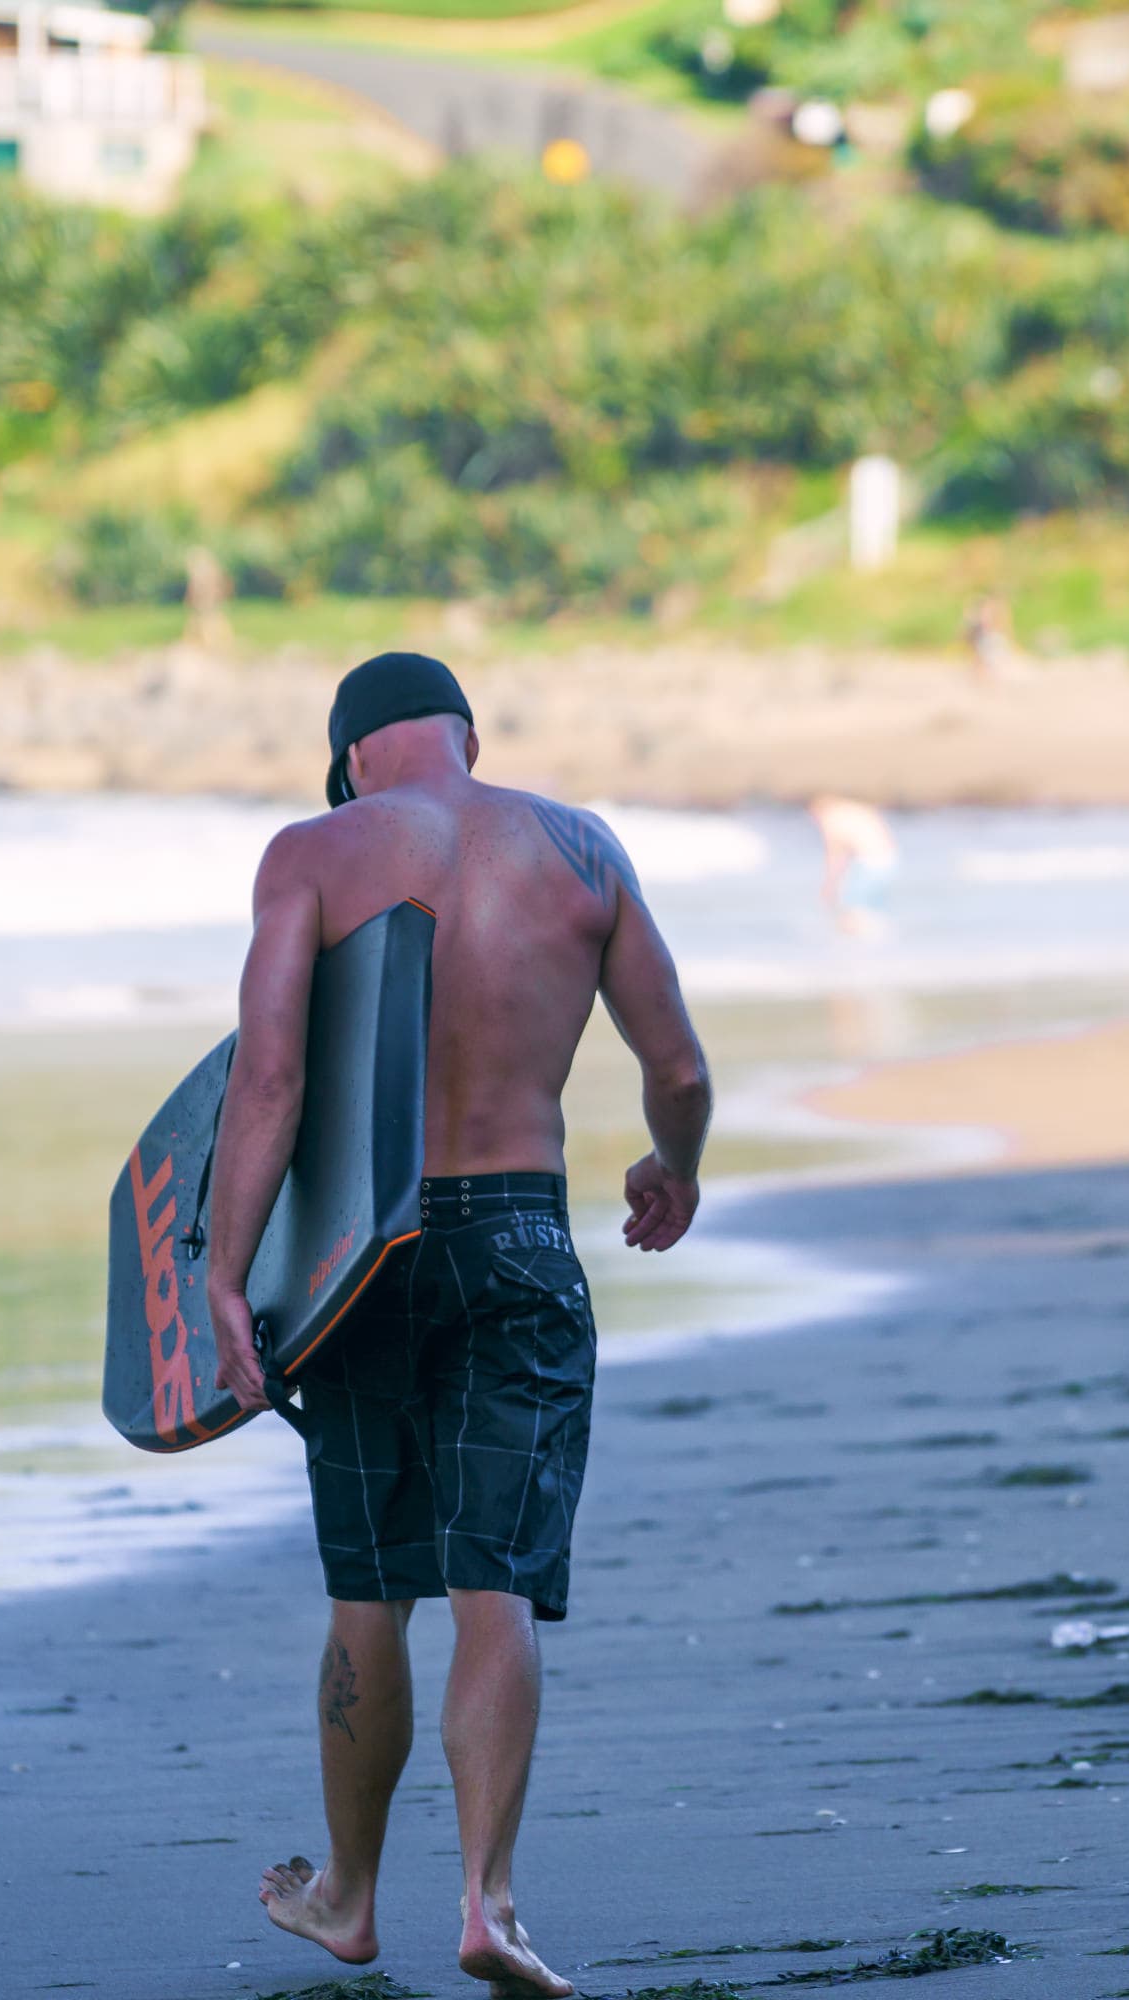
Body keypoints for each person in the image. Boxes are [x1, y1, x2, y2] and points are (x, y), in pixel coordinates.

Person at [204, 652, 712, 1998]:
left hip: (367, 1257)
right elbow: (679, 1066)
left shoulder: (313, 852)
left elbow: (268, 1081)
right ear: (465, 738)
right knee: (498, 1583)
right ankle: (487, 1902)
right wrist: (677, 1165)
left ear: (354, 756)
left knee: (372, 1588)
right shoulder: (581, 848)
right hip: (523, 1241)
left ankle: (350, 1895)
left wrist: (222, 1272)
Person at [810, 793, 898, 940]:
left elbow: (835, 855)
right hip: (890, 858)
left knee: (854, 906)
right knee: (873, 907)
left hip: (869, 861)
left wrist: (830, 885)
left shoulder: (831, 818)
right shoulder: (854, 810)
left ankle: (856, 945)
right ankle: (879, 940)